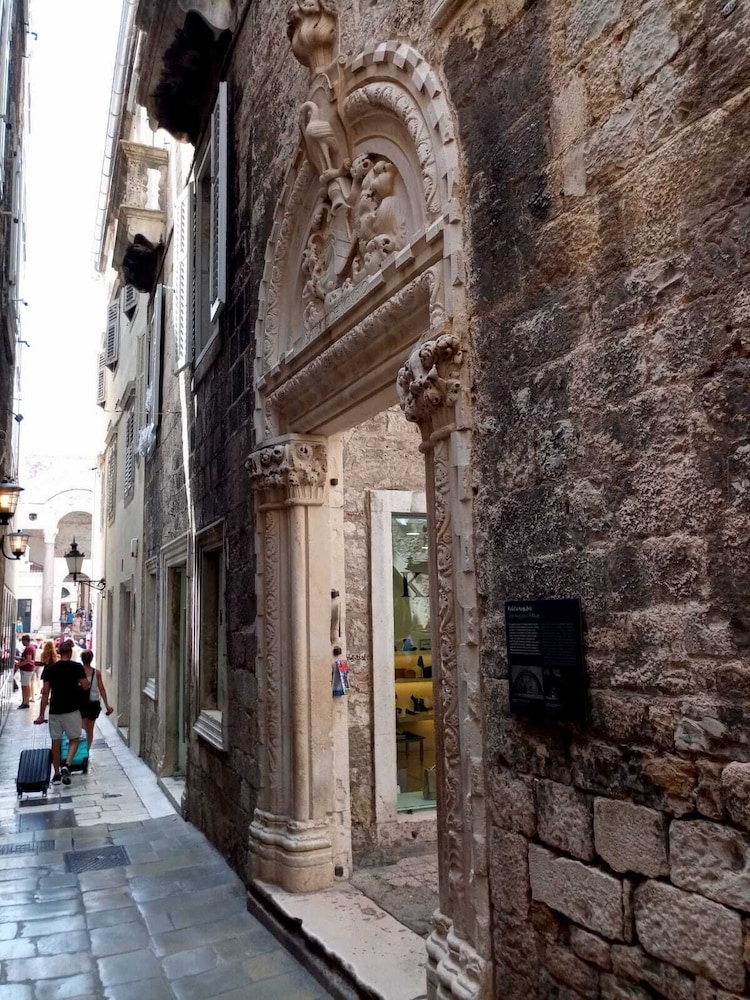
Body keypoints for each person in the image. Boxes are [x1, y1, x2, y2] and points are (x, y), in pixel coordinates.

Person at [34, 639, 89, 785]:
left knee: (55, 742)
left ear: (59, 653)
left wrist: (41, 714)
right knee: (74, 739)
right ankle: (67, 764)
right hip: (72, 709)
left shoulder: (50, 669)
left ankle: (57, 774)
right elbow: (85, 686)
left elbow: (45, 693)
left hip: (55, 710)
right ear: (70, 653)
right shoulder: (77, 667)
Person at [79, 650, 113, 752]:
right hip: (93, 703)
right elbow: (102, 689)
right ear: (91, 659)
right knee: (90, 729)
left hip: (81, 703)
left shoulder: (78, 672)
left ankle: (83, 751)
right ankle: (87, 750)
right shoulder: (97, 673)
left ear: (82, 659)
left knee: (82, 728)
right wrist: (107, 705)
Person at [15, 634, 37, 709]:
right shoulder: (32, 647)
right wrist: (20, 658)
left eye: (22, 641)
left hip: (26, 670)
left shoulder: (28, 648)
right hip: (28, 669)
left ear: (25, 640)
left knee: (25, 686)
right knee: (26, 685)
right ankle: (25, 701)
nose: (22, 643)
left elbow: (28, 659)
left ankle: (26, 702)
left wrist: (19, 664)